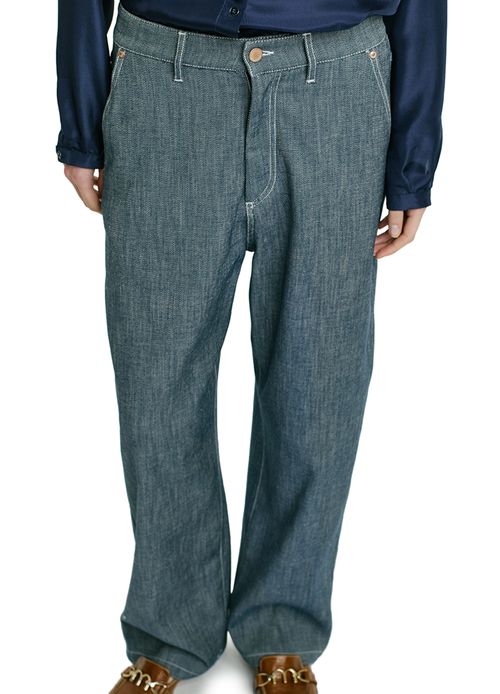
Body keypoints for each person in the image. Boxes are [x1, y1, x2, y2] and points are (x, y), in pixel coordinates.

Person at [55, 1, 447, 692]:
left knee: (318, 380)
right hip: (164, 82)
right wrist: (81, 123)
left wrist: (413, 159)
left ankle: (283, 625)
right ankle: (170, 630)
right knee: (156, 381)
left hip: (335, 86)